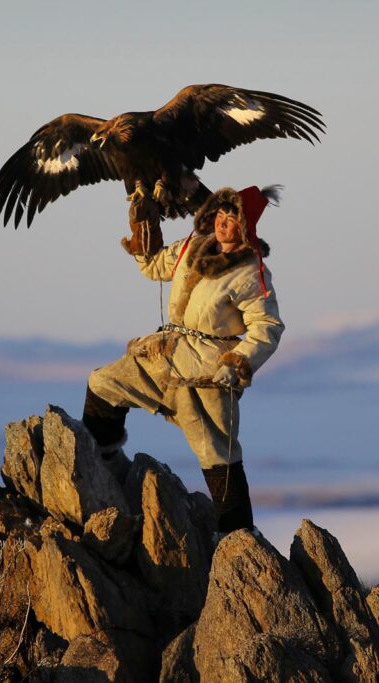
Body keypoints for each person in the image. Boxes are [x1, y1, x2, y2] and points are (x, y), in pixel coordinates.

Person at [82, 186, 284, 534]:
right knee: (103, 384)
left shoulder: (251, 273)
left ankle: (237, 539)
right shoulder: (193, 245)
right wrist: (144, 238)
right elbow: (155, 266)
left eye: (231, 218)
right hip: (163, 354)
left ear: (246, 226)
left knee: (217, 454)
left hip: (207, 373)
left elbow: (267, 327)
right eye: (219, 216)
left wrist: (238, 363)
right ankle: (104, 465)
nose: (222, 224)